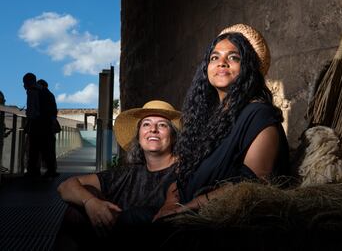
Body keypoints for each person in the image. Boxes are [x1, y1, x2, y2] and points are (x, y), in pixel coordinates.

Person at [154, 24, 290, 220]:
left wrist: (184, 210)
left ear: (248, 68)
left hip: (217, 222)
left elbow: (251, 186)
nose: (222, 63)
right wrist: (169, 203)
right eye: (214, 57)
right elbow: (182, 176)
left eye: (233, 57)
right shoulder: (207, 120)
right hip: (182, 213)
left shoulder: (259, 114)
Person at [56, 100, 181, 247]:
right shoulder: (128, 174)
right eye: (146, 124)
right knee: (78, 209)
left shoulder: (184, 169)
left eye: (162, 125)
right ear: (139, 136)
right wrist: (91, 203)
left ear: (173, 137)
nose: (153, 129)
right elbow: (65, 186)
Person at [22, 73, 58, 178]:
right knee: (47, 149)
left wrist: (29, 122)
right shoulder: (48, 92)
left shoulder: (32, 91)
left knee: (33, 149)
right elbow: (53, 111)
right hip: (47, 125)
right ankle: (51, 170)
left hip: (37, 124)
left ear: (29, 82)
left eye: (24, 83)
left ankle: (33, 171)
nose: (24, 85)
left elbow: (32, 111)